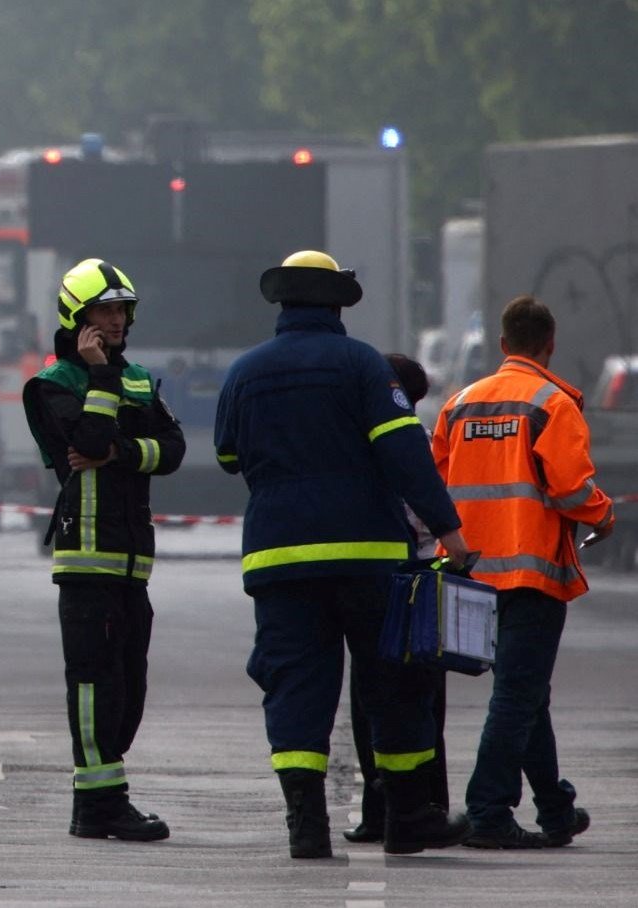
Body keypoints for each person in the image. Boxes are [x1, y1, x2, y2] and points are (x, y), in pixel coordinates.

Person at [214, 250, 472, 858]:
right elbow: (404, 453)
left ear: (283, 303)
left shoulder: (245, 372)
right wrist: (449, 531)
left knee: (295, 688)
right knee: (393, 684)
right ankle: (408, 819)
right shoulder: (362, 366)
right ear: (335, 303)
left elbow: (229, 457)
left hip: (279, 560)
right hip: (367, 557)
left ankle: (306, 826)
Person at [431, 294, 613, 849]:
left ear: (503, 345)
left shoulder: (459, 404)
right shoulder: (552, 404)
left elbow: (434, 482)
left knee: (527, 693)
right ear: (549, 345)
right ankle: (488, 812)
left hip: (467, 575)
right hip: (531, 576)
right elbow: (570, 487)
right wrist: (603, 515)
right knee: (517, 693)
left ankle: (556, 809)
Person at [21, 258, 186, 842]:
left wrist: (119, 453)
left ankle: (103, 793)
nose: (116, 320)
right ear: (77, 316)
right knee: (95, 682)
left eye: (122, 309)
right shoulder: (52, 384)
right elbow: (84, 438)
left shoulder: (138, 377)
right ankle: (98, 804)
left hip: (132, 560)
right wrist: (100, 379)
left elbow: (171, 450)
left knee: (130, 685)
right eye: (104, 310)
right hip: (86, 556)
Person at [343, 353, 449, 844]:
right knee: (419, 697)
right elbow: (428, 510)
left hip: (368, 574)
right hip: (418, 573)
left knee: (368, 695)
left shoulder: (349, 440)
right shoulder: (413, 440)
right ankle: (424, 806)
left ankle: (375, 809)